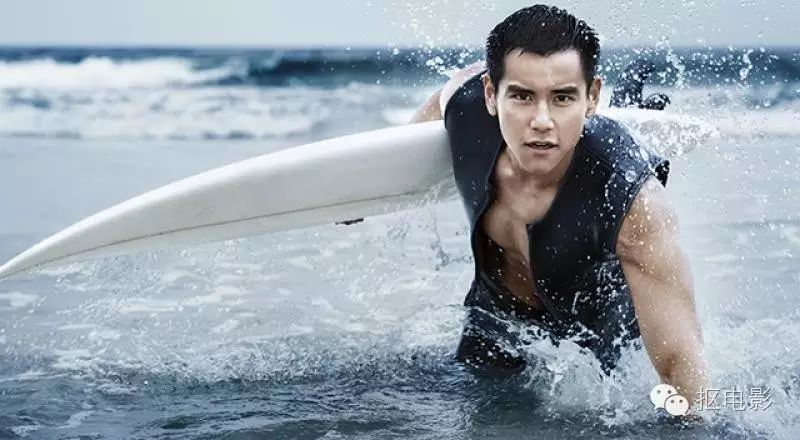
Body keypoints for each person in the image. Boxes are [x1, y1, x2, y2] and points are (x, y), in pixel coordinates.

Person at [409, 5, 709, 411]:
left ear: (592, 97)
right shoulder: (466, 110)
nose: (542, 121)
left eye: (563, 97)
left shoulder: (635, 202)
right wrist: (372, 184)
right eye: (522, 96)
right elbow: (444, 96)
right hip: (494, 321)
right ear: (490, 95)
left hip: (596, 341)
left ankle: (632, 105)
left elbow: (679, 365)